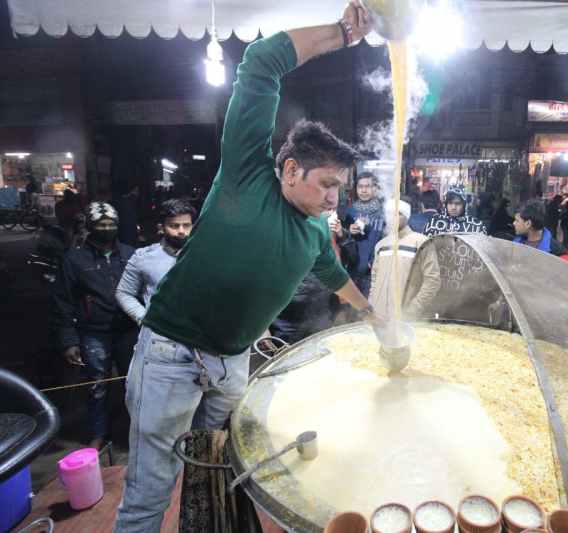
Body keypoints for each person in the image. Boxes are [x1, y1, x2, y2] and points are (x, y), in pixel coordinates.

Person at [114, 7, 379, 531]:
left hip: (232, 363)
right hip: (172, 354)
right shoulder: (245, 175)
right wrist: (344, 34)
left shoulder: (314, 231)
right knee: (150, 493)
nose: (335, 198)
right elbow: (261, 61)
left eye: (341, 188)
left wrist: (373, 315)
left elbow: (334, 276)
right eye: (327, 184)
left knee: (216, 470)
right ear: (290, 169)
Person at [51, 202, 138, 450]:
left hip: (128, 330)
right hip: (93, 333)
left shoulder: (131, 255)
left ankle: (136, 429)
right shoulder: (74, 259)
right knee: (97, 385)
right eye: (101, 225)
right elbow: (63, 302)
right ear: (90, 226)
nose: (107, 229)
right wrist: (69, 340)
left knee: (133, 383)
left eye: (111, 224)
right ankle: (99, 433)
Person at [115, 199, 196, 326]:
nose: (181, 231)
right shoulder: (143, 256)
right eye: (174, 226)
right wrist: (145, 318)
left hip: (195, 332)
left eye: (186, 225)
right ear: (161, 227)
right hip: (157, 334)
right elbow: (124, 293)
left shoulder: (203, 256)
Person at [369, 199, 441, 319]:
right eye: (389, 213)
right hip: (380, 316)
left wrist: (413, 309)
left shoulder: (421, 242)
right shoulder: (381, 245)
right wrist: (372, 304)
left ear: (407, 216)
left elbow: (432, 281)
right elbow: (374, 279)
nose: (393, 218)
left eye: (398, 213)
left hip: (407, 317)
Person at [340, 172, 385, 295]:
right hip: (352, 271)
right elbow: (340, 241)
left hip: (376, 272)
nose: (364, 190)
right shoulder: (349, 213)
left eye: (368, 186)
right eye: (360, 187)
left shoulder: (384, 212)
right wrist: (348, 232)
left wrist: (374, 262)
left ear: (375, 188)